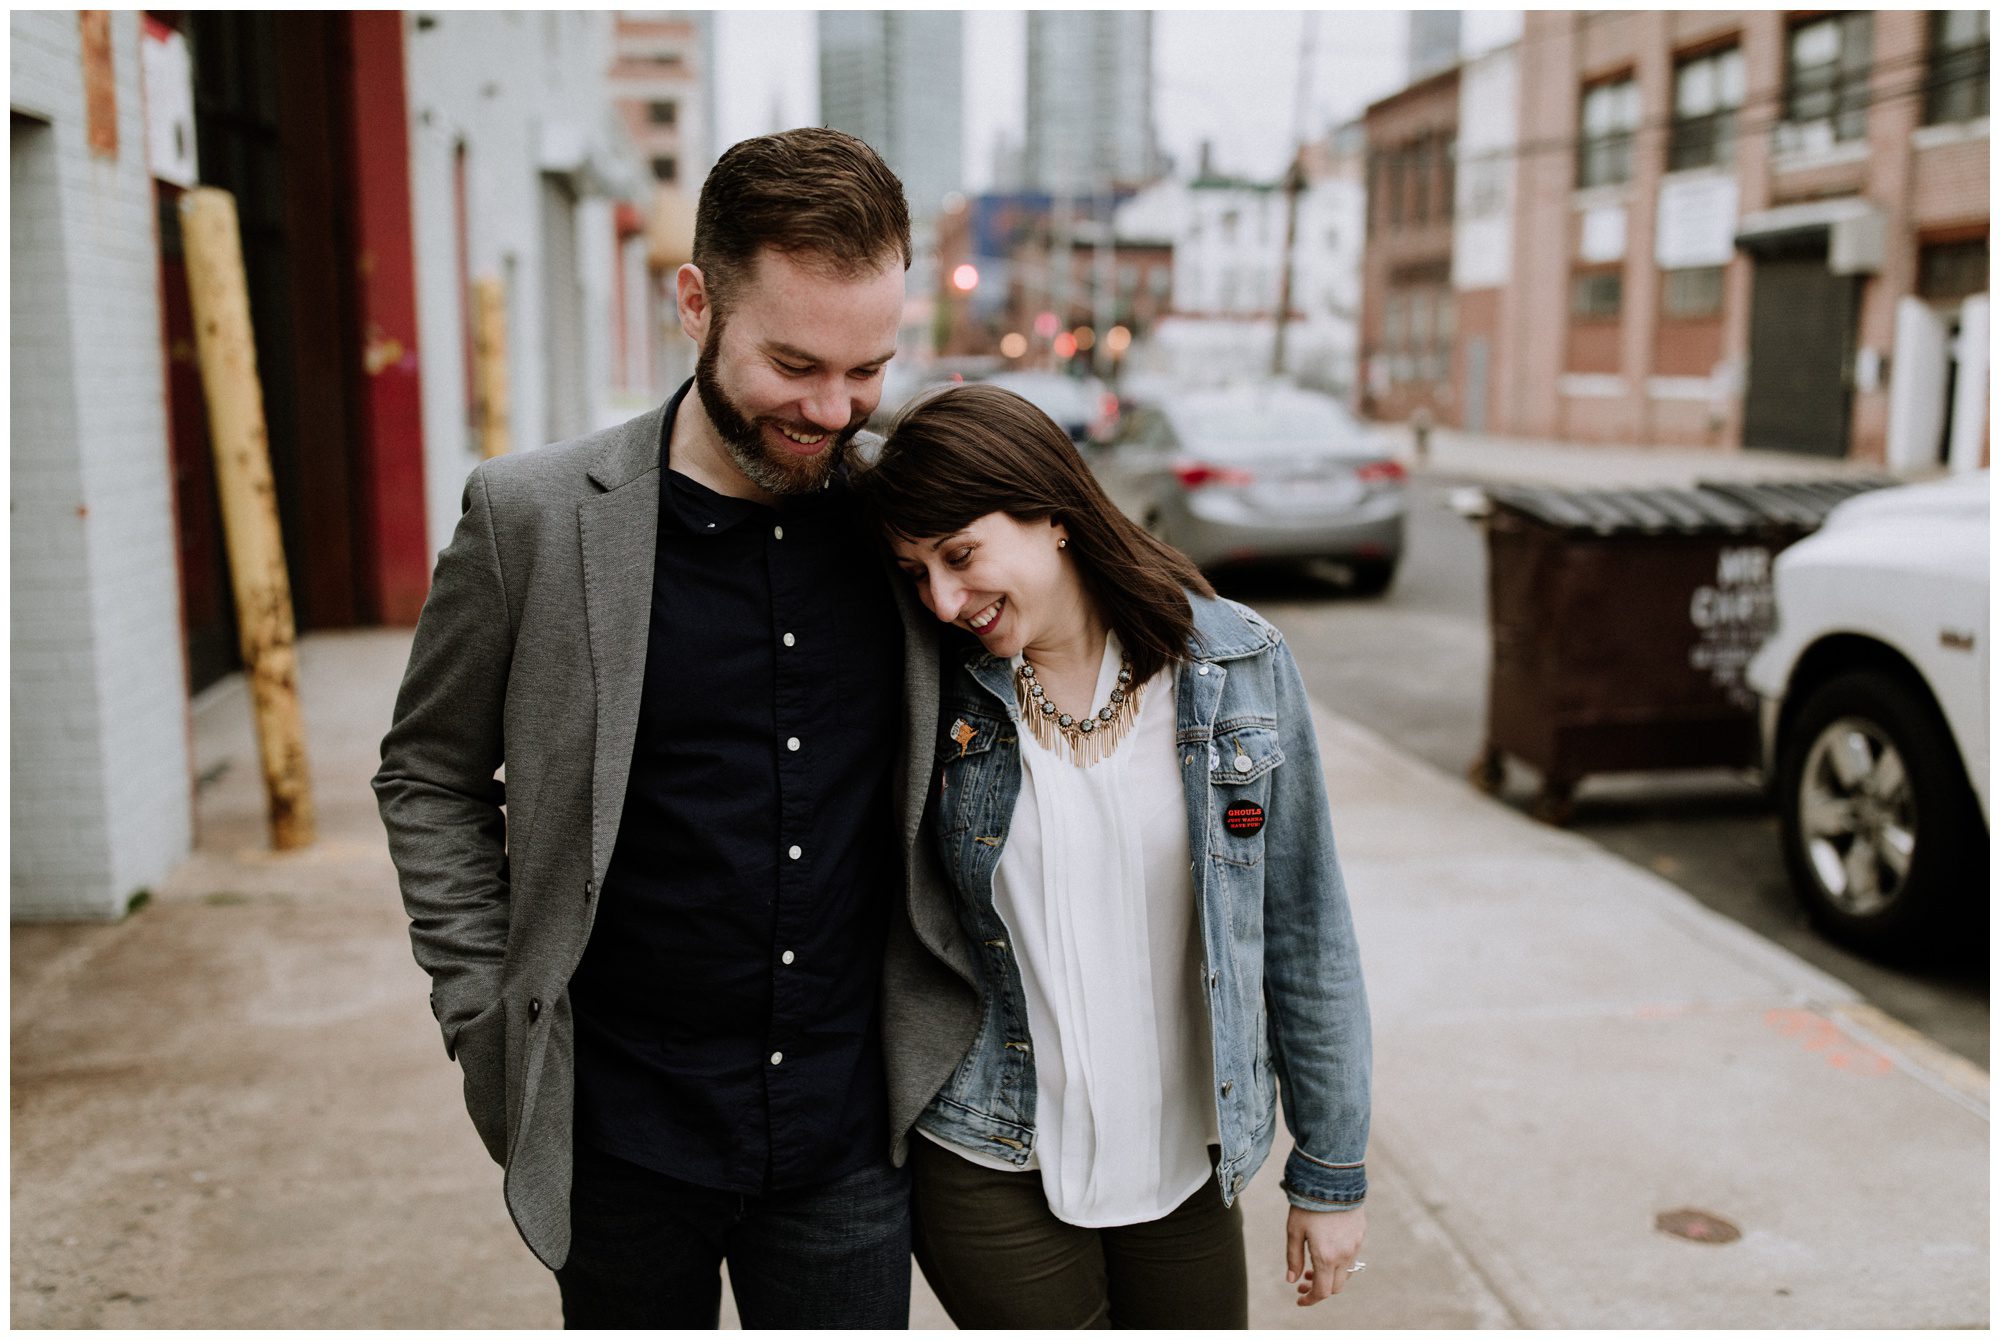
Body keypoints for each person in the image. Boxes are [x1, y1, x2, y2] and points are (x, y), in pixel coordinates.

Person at [373, 128, 937, 1329]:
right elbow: (427, 771)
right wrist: (482, 1014)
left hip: (847, 1136)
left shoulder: (911, 518)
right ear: (696, 301)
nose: (832, 410)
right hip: (618, 1137)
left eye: (867, 368)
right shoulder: (529, 518)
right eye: (793, 363)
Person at [853, 383, 1373, 1329]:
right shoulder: (938, 690)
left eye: (960, 556)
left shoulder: (1236, 669)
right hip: (990, 1148)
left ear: (1051, 512)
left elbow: (1305, 927)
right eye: (916, 570)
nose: (942, 597)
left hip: (1183, 1159)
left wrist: (1331, 1174)